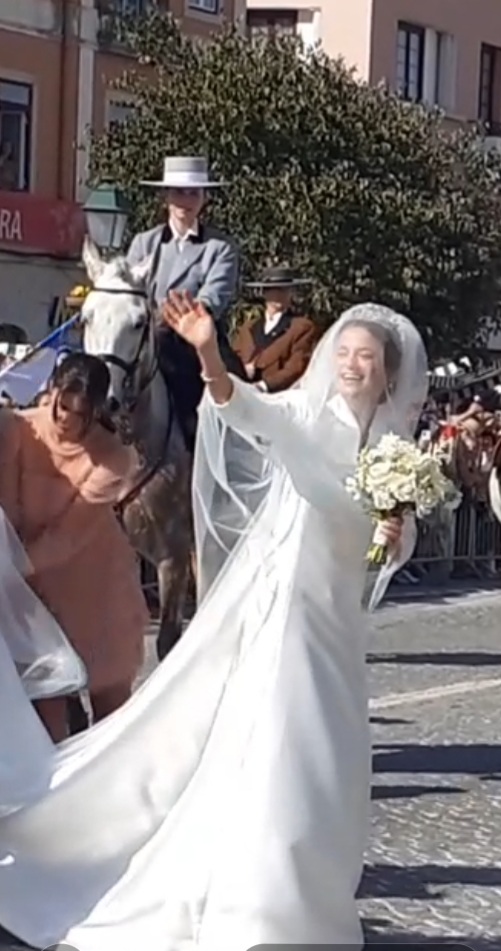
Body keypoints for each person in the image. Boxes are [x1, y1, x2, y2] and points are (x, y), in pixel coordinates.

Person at [0, 298, 427, 951]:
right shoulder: (305, 416)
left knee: (328, 754)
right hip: (284, 611)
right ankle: (258, 905)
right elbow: (245, 409)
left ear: (386, 374)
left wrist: (392, 534)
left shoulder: (394, 452)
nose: (349, 364)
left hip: (335, 623)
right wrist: (205, 349)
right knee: (276, 743)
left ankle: (309, 897)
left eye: (364, 357)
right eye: (342, 352)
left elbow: (394, 547)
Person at [0, 353, 148, 741]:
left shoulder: (114, 458)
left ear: (96, 410)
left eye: (80, 414)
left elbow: (69, 535)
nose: (66, 420)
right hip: (31, 593)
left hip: (94, 588)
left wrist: (13, 564)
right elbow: (8, 500)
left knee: (110, 709)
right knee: (44, 707)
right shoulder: (18, 428)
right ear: (51, 392)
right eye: (62, 407)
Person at [125, 155, 244, 450]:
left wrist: (170, 317)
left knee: (231, 398)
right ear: (166, 196)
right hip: (146, 341)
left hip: (194, 347)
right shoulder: (143, 243)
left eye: (193, 193)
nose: (185, 200)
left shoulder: (220, 248)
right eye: (178, 192)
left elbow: (212, 300)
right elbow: (129, 294)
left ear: (204, 199)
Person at [233, 264, 321, 392]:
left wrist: (264, 385)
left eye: (285, 290)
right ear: (264, 293)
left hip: (277, 399)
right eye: (274, 289)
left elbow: (296, 367)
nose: (279, 294)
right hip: (244, 396)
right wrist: (242, 371)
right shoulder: (248, 328)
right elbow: (233, 359)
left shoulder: (301, 327)